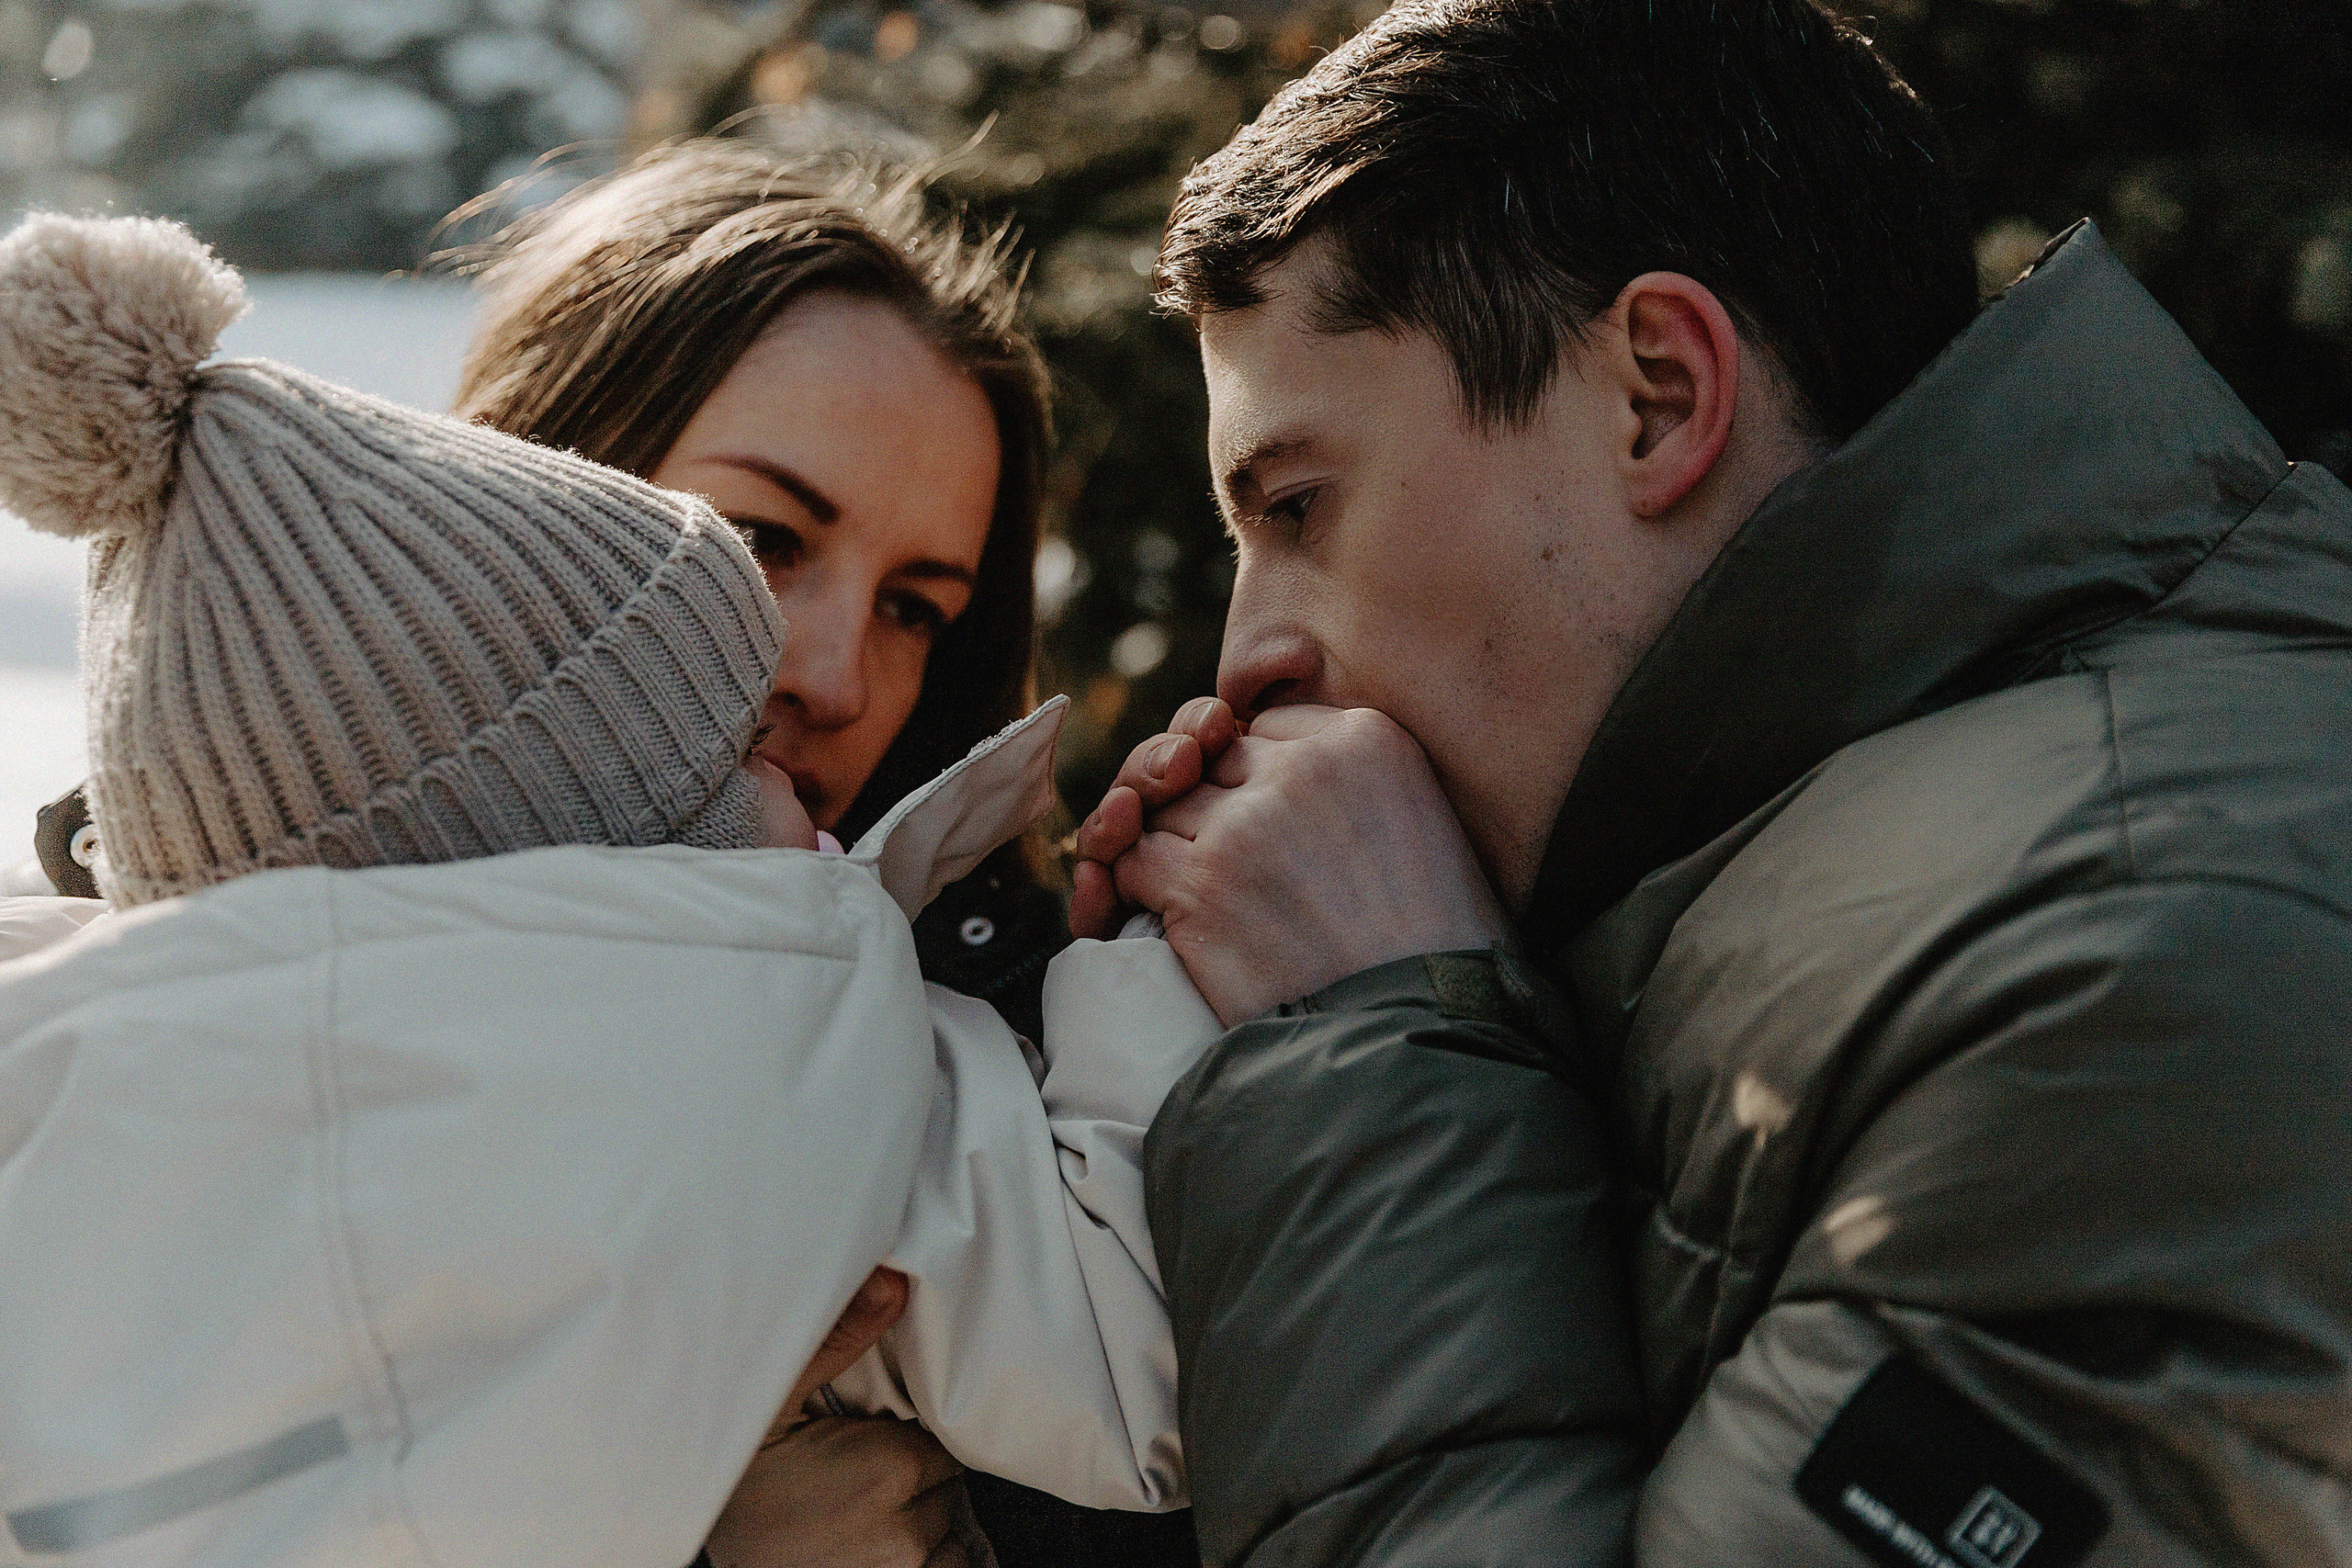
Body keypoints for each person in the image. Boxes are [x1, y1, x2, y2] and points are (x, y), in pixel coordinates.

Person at [1069, 0, 2352, 1563]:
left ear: (1658, 396)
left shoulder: (2134, 967)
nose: (1249, 655)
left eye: (1298, 503)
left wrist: (1367, 1055)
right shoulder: (1833, 888)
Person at [0, 213, 1213, 1567]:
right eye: (764, 538)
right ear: (513, 475)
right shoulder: (92, 1050)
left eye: (914, 607)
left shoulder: (970, 1063)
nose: (836, 678)